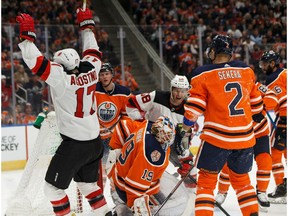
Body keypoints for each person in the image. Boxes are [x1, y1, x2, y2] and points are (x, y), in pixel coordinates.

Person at [16, 8, 111, 216]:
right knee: (88, 186)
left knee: (51, 188)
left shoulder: (61, 78)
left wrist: (27, 40)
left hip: (75, 145)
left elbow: (36, 62)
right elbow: (93, 51)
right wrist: (87, 27)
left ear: (62, 66)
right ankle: (107, 214)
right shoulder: (93, 70)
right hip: (95, 143)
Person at [181, 34, 263, 216]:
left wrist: (184, 128)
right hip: (245, 138)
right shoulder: (246, 70)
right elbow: (257, 103)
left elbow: (194, 109)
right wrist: (255, 116)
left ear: (213, 51)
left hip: (216, 138)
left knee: (206, 184)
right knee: (242, 182)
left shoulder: (202, 73)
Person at [215, 82, 279, 212]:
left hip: (259, 132)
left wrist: (263, 109)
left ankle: (261, 192)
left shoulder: (254, 84)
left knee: (265, 161)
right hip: (240, 134)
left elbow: (273, 96)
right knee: (228, 166)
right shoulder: (225, 87)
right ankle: (222, 192)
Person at [126, 75, 198, 189]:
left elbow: (186, 138)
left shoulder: (188, 111)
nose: (179, 94)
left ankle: (191, 195)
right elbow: (131, 103)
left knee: (191, 168)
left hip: (172, 142)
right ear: (171, 89)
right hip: (151, 139)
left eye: (182, 91)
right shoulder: (156, 96)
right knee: (147, 168)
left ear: (186, 92)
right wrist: (140, 124)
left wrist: (185, 158)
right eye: (176, 90)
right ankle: (142, 190)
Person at [106, 115, 184, 216]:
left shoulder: (147, 126)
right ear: (160, 135)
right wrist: (139, 208)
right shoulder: (151, 154)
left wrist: (114, 151)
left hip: (125, 178)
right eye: (167, 136)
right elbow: (134, 186)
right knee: (162, 210)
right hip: (128, 188)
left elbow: (123, 126)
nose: (169, 139)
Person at [259, 50, 287, 204]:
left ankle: (281, 189)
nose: (263, 67)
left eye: (265, 63)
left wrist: (283, 124)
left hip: (284, 119)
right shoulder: (284, 73)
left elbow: (283, 101)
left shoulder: (274, 78)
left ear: (272, 63)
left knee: (275, 154)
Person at [95, 62, 131, 164]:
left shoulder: (124, 92)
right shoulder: (93, 89)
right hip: (95, 135)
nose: (104, 77)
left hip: (113, 136)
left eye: (107, 74)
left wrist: (122, 132)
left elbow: (126, 116)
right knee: (97, 164)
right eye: (101, 75)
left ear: (112, 75)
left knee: (111, 164)